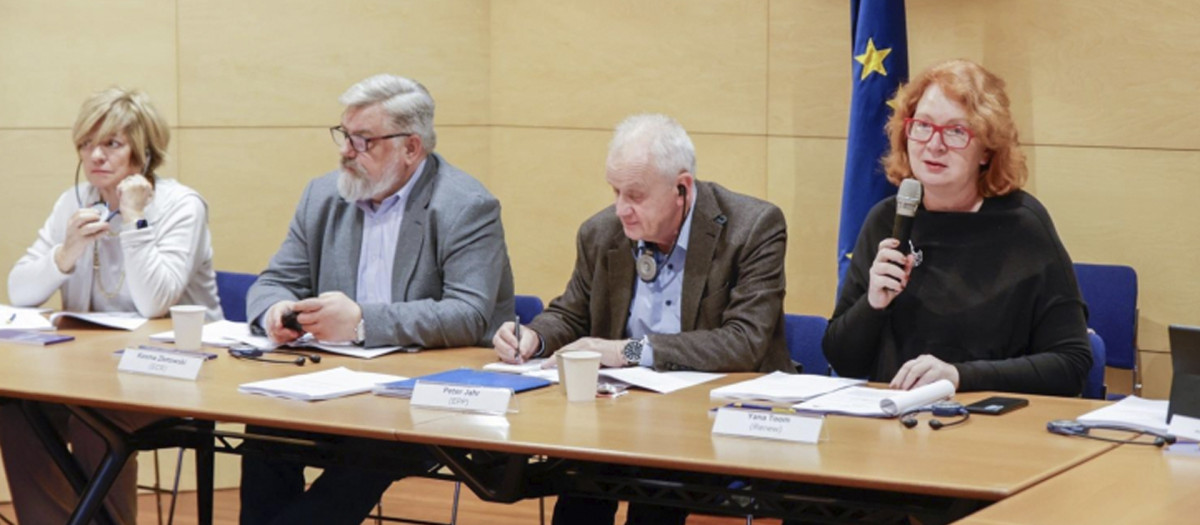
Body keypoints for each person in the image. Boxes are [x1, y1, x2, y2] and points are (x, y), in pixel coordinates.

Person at [240, 74, 514, 525]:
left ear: (411, 148)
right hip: (334, 383)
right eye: (344, 136)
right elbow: (273, 281)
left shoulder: (465, 205)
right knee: (265, 428)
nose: (346, 151)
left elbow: (469, 313)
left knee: (371, 447)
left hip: (425, 396)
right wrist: (276, 312)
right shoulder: (324, 195)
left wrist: (363, 321)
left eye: (363, 141)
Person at [493, 113, 791, 525]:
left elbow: (743, 342)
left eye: (634, 195)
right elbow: (571, 312)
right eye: (615, 192)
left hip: (709, 415)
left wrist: (627, 351)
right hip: (619, 412)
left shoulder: (753, 228)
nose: (621, 210)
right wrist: (534, 338)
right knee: (580, 480)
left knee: (655, 486)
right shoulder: (601, 233)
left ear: (682, 188)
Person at [1, 87, 222, 524]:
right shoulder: (76, 201)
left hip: (175, 367)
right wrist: (66, 253)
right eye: (86, 144)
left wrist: (135, 219)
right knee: (14, 409)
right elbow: (20, 291)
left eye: (111, 144)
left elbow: (155, 303)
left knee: (94, 420)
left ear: (143, 151)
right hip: (91, 368)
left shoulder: (181, 205)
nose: (95, 156)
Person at [822, 59, 1091, 396]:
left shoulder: (1024, 226)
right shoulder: (886, 220)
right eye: (923, 125)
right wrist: (873, 304)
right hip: (895, 424)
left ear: (986, 150)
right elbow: (843, 362)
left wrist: (958, 377)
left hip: (992, 428)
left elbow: (1072, 364)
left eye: (956, 131)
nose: (934, 144)